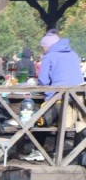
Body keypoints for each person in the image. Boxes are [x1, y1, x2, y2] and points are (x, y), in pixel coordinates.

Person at [24, 30, 83, 161]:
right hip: (78, 102)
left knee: (40, 119)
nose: (43, 50)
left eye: (43, 47)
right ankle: (58, 152)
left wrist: (44, 93)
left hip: (59, 100)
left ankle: (38, 151)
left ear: (47, 46)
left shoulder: (50, 56)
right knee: (60, 123)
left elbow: (43, 81)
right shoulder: (73, 54)